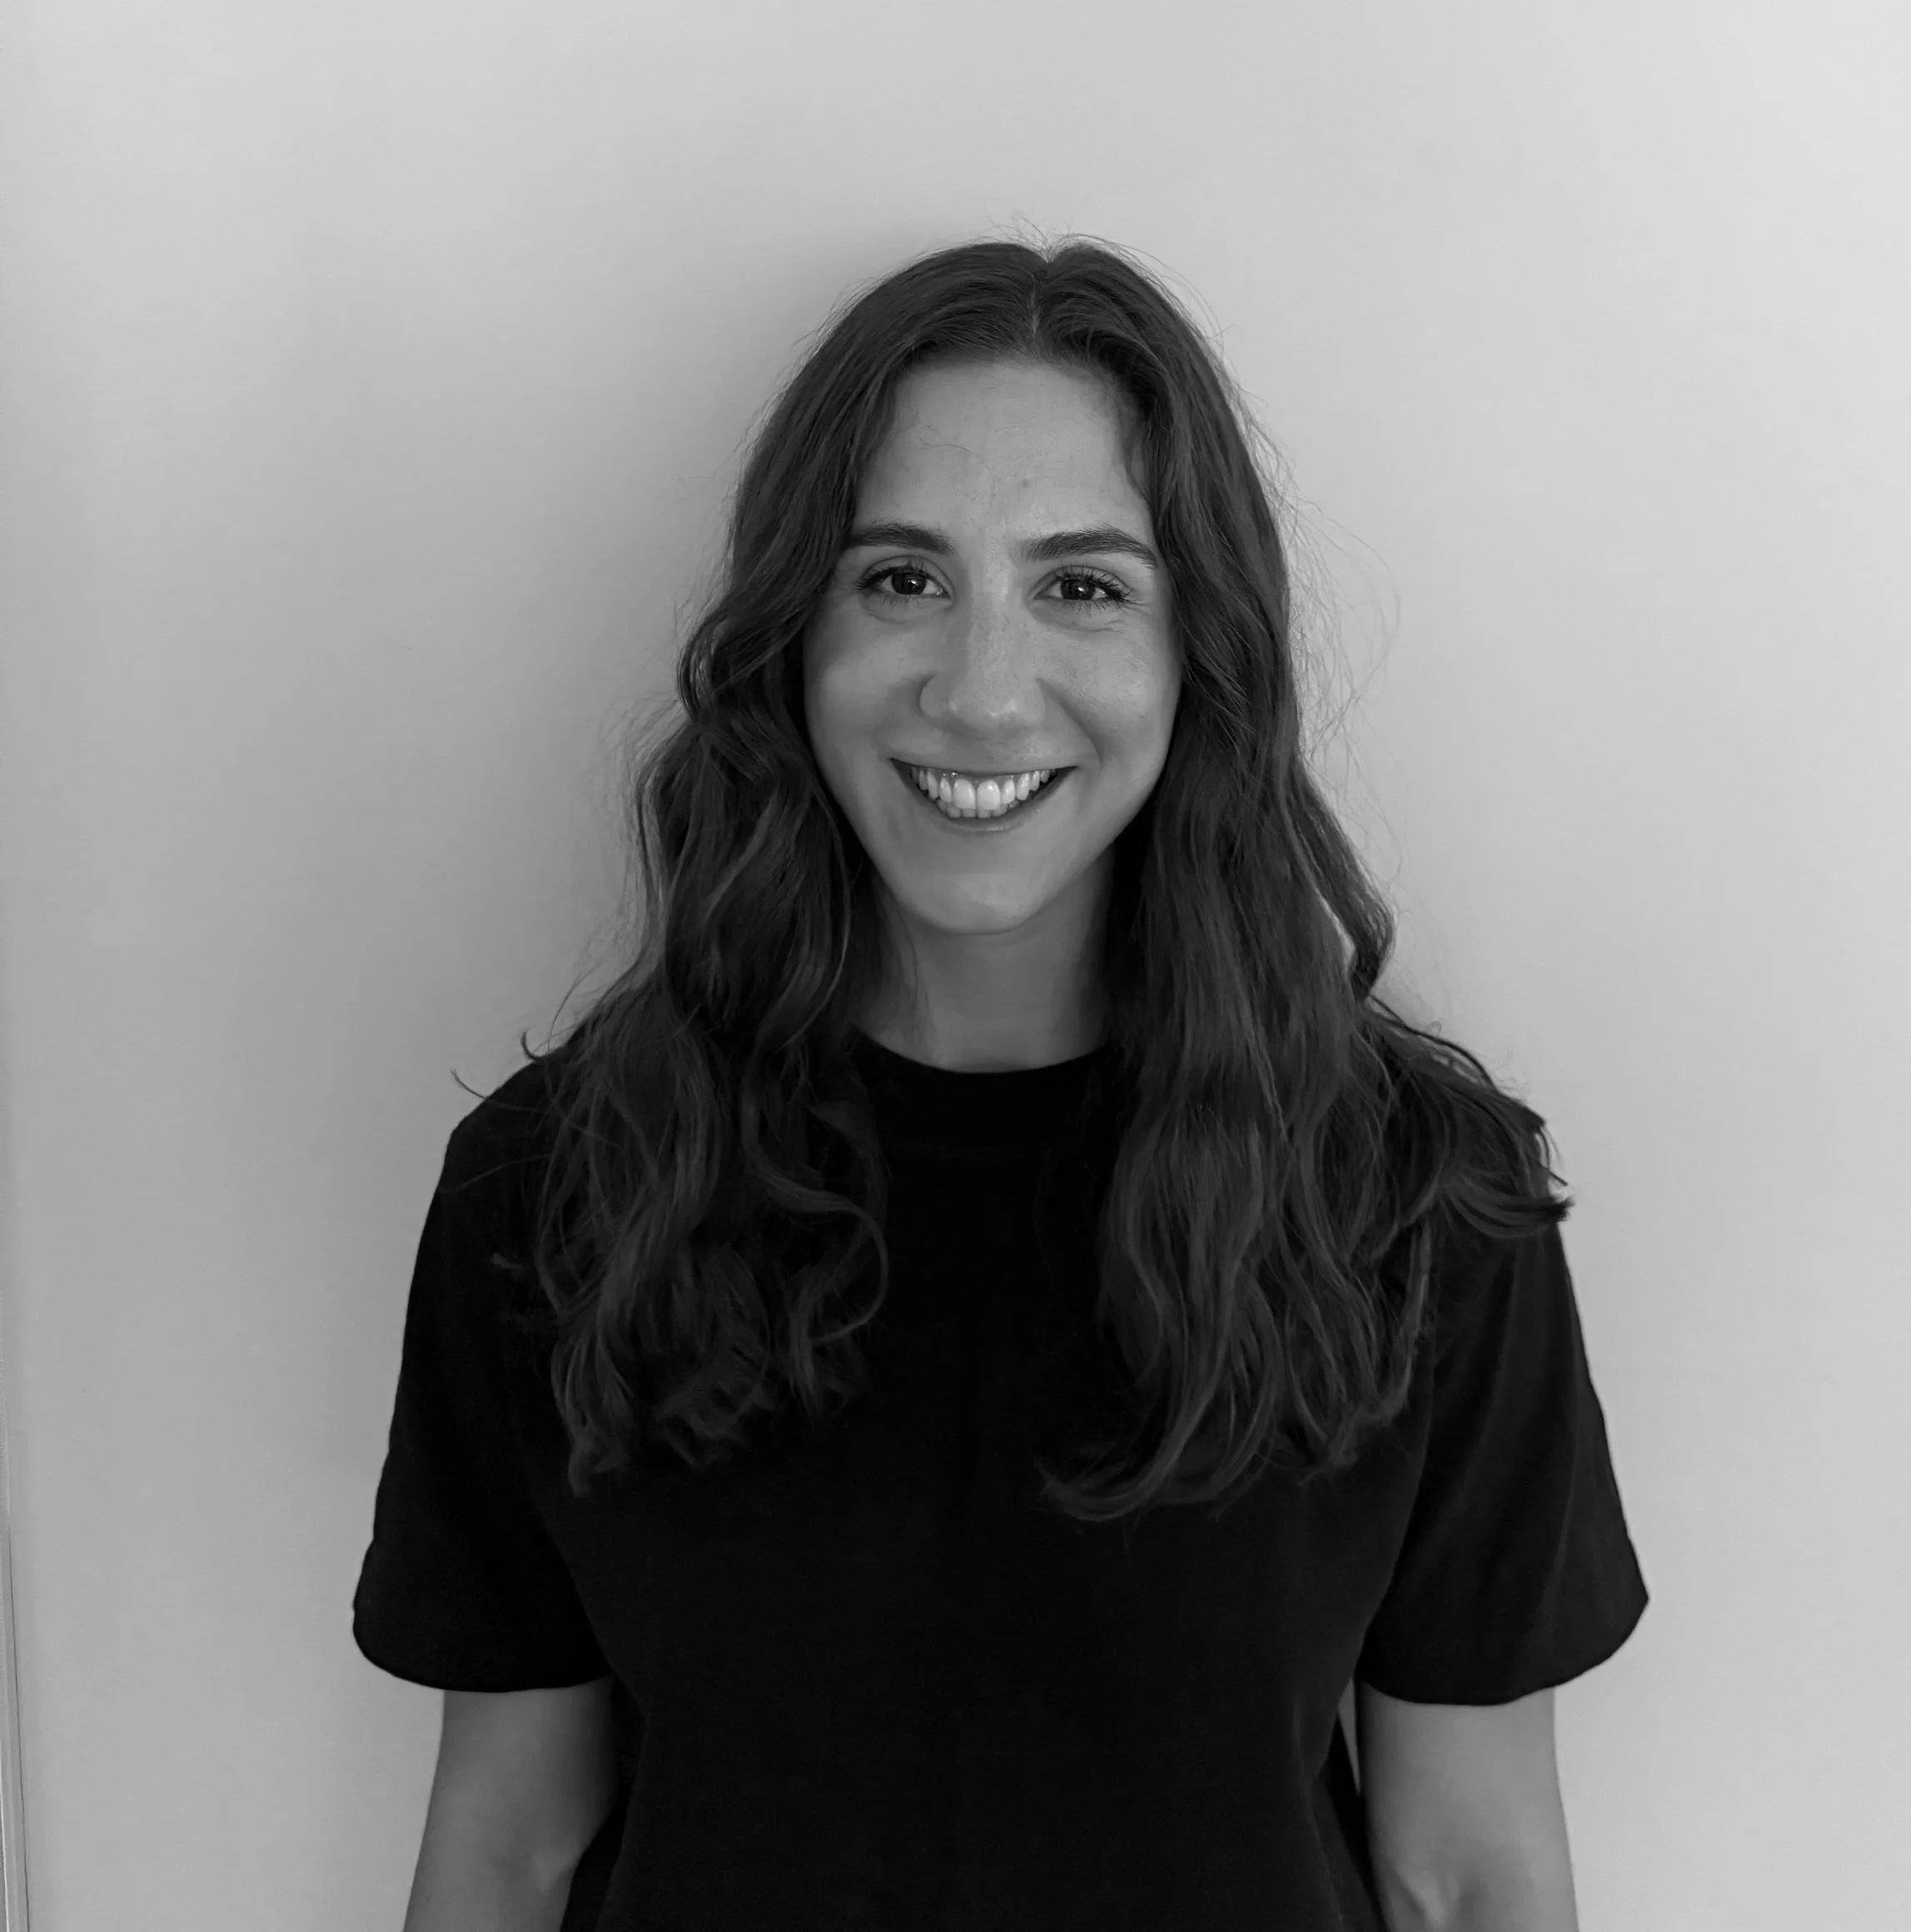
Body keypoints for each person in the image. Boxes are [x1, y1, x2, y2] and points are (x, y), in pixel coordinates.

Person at [352, 233, 1649, 1932]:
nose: (977, 687)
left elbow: (1465, 1866)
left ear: (1200, 656)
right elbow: (506, 1846)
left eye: (1081, 584)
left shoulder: (1415, 1200)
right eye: (898, 577)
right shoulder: (557, 1190)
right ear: (789, 640)